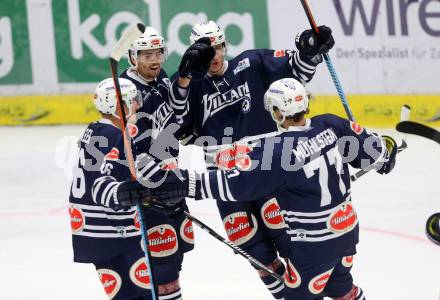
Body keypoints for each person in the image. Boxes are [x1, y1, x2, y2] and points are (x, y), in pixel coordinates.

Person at [134, 77, 399, 299]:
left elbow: (233, 185)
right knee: (342, 288)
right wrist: (385, 154)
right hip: (348, 232)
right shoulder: (331, 124)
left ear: (276, 111)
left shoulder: (278, 153)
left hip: (315, 245)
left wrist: (182, 183)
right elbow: (375, 153)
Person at [168, 20, 335, 298]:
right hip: (228, 184)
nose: (214, 56)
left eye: (218, 48)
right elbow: (176, 124)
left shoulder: (252, 63)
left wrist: (310, 48)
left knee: (289, 243)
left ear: (225, 46)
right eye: (206, 52)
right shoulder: (189, 86)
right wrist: (185, 77)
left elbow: (296, 71)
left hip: (267, 172)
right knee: (256, 254)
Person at [119, 27, 193, 299]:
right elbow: (130, 152)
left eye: (158, 52)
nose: (155, 60)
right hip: (150, 189)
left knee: (177, 255)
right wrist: (159, 180)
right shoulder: (126, 93)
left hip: (169, 178)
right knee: (162, 264)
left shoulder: (160, 77)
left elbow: (175, 119)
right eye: (146, 54)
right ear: (132, 57)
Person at [69, 77, 153, 300]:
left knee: (124, 296)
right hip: (115, 232)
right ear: (119, 107)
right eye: (132, 100)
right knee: (142, 295)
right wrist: (123, 193)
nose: (137, 104)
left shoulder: (94, 130)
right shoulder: (117, 136)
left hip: (92, 233)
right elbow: (101, 185)